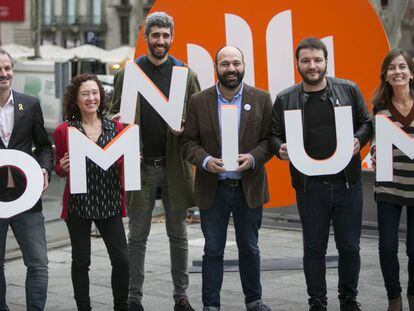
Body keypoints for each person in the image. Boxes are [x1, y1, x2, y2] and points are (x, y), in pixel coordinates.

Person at [269, 37, 373, 311]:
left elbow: (367, 122)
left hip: (347, 185)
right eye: (306, 61)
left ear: (327, 61)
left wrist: (358, 140)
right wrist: (279, 147)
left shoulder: (348, 90)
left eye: (317, 60)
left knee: (350, 247)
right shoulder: (285, 98)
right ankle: (317, 302)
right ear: (297, 64)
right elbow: (273, 134)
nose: (312, 65)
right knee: (314, 249)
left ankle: (348, 300)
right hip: (309, 187)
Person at [110, 12, 200, 311]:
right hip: (141, 166)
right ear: (145, 36)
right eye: (155, 35)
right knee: (137, 236)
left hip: (175, 166)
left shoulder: (185, 75)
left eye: (165, 35)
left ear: (172, 38)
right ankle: (134, 298)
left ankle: (181, 297)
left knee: (179, 234)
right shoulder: (129, 74)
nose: (160, 41)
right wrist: (122, 136)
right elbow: (113, 116)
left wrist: (187, 124)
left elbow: (200, 120)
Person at [182, 45, 273, 311]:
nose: (231, 69)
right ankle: (211, 305)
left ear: (244, 65)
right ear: (215, 68)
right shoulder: (199, 101)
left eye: (236, 63)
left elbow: (270, 140)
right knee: (212, 250)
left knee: (250, 248)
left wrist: (254, 157)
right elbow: (188, 143)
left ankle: (254, 301)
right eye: (225, 64)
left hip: (249, 187)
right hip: (214, 188)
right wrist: (207, 161)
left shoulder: (261, 98)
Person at [54, 74, 129, 311]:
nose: (91, 98)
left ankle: (121, 306)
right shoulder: (64, 131)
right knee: (81, 261)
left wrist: (130, 160)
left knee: (122, 261)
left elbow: (121, 163)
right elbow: (59, 168)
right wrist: (61, 167)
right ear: (75, 99)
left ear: (101, 96)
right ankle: (84, 307)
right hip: (79, 204)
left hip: (109, 200)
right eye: (85, 94)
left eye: (95, 93)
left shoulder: (115, 127)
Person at [0, 49, 53, 310]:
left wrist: (44, 169)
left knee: (38, 263)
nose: (3, 73)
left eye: (7, 68)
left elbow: (45, 146)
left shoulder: (29, 104)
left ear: (13, 70)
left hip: (27, 198)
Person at [371, 49, 414, 311]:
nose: (397, 72)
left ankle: (413, 295)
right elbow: (377, 140)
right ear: (386, 77)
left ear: (411, 73)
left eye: (402, 67)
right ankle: (394, 298)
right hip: (389, 184)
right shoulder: (380, 109)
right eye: (391, 68)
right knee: (387, 246)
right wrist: (375, 152)